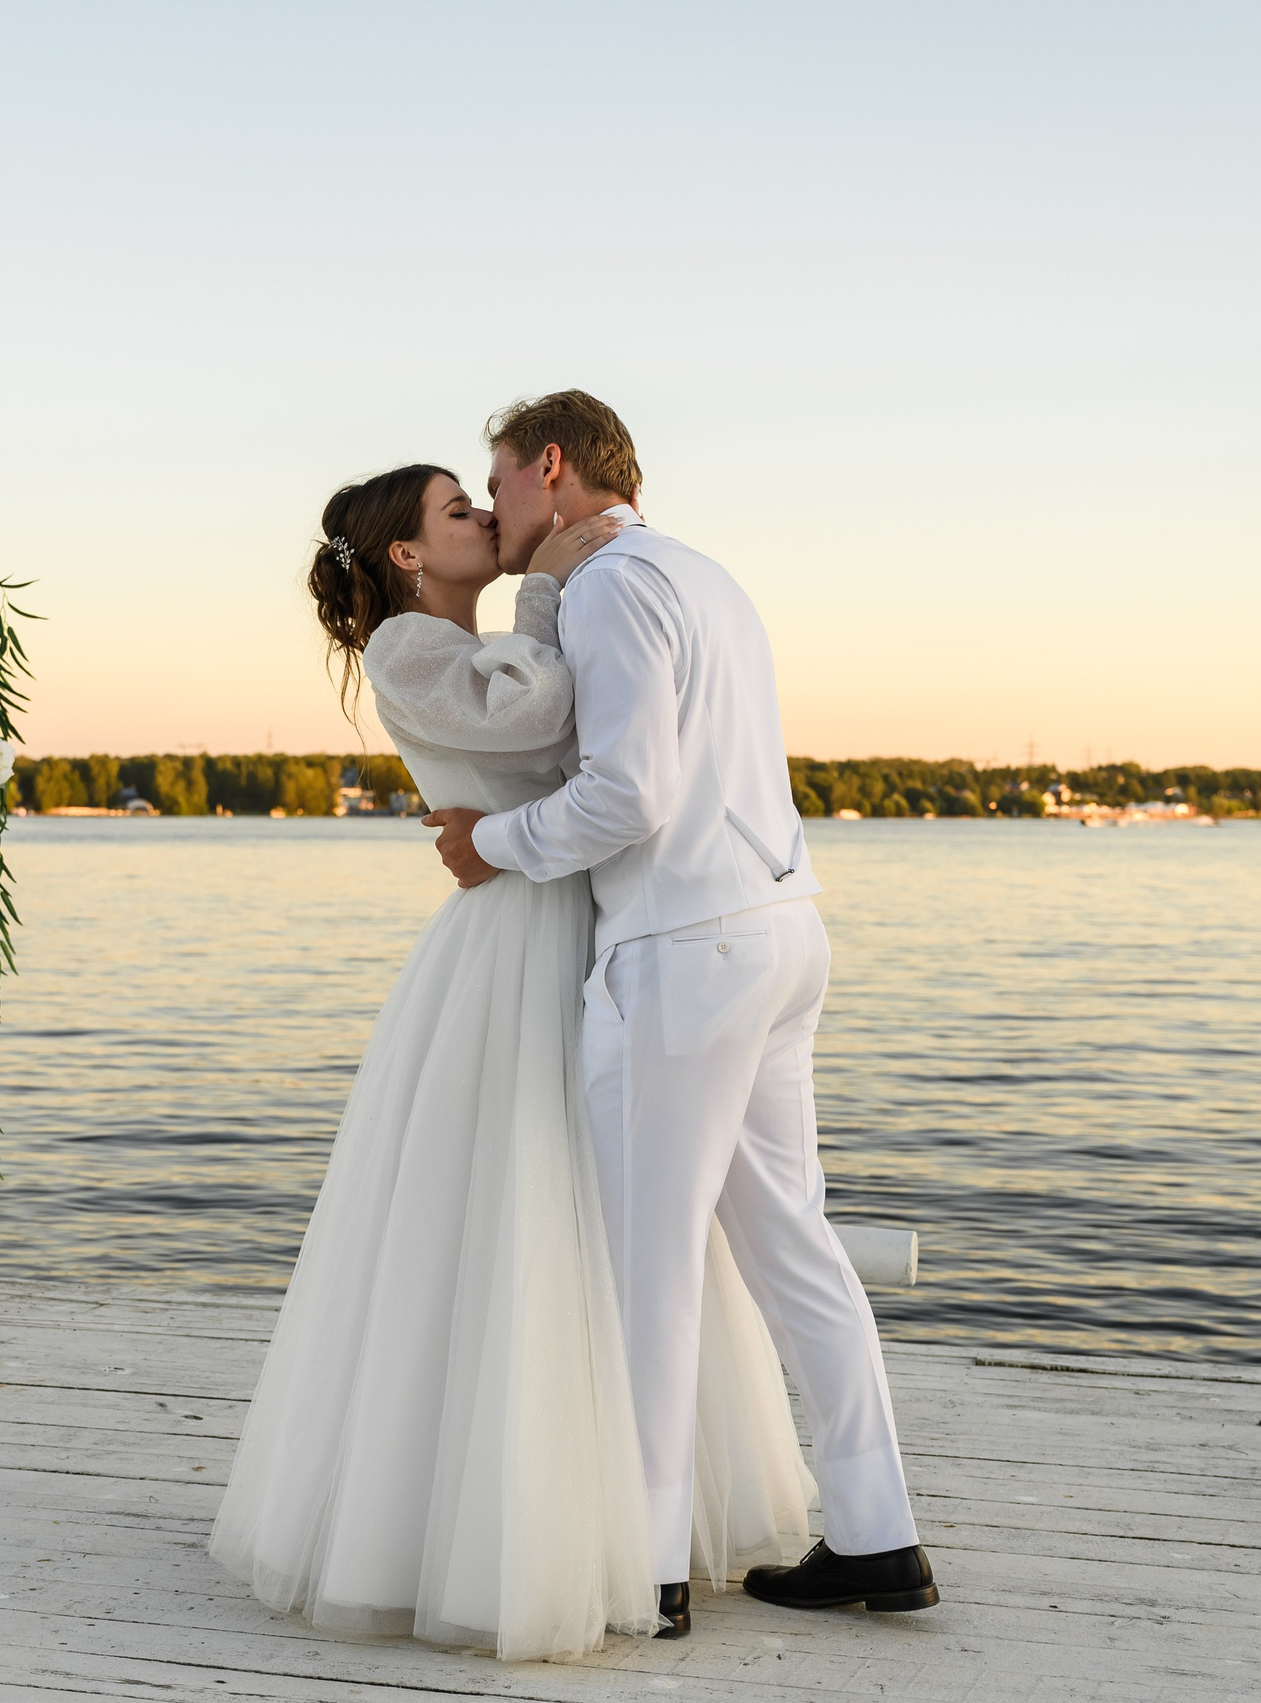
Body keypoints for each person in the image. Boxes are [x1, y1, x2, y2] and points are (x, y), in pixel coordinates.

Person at [208, 463, 815, 1661]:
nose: (485, 520)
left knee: (625, 1221)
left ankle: (637, 1504)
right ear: (403, 558)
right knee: (522, 1211)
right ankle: (499, 1523)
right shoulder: (410, 656)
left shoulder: (471, 639)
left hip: (588, 926)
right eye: (456, 511)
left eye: (482, 502)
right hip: (515, 947)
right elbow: (536, 719)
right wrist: (543, 590)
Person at [426, 392, 941, 1630]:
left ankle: (648, 1566)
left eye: (497, 483)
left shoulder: (609, 588)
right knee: (793, 1244)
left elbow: (629, 795)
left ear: (550, 468)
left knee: (650, 1262)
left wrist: (489, 841)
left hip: (686, 950)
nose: (492, 507)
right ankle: (878, 1535)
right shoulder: (702, 575)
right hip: (781, 926)